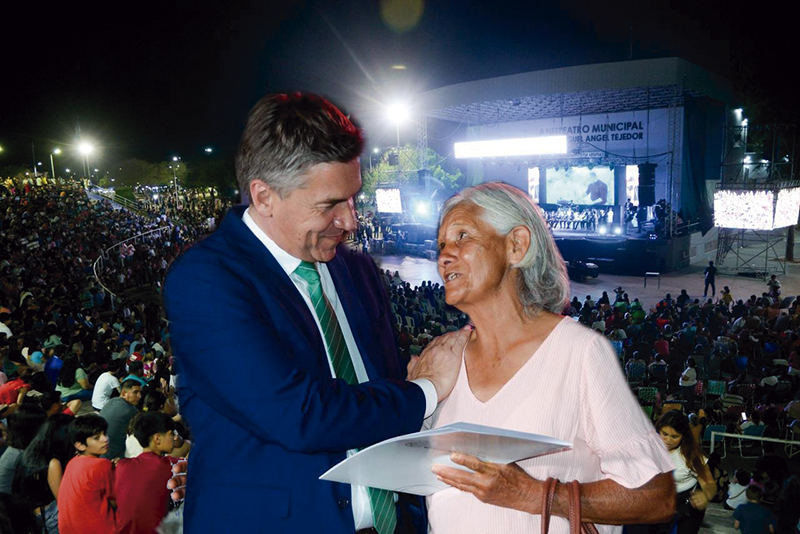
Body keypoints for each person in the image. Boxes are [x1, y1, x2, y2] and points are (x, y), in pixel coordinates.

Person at [162, 93, 466, 533]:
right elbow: (298, 415)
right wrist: (425, 390)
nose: (352, 221)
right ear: (264, 196)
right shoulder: (206, 279)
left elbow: (377, 389)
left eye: (353, 198)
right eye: (330, 205)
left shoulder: (356, 270)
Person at [420, 183, 675, 533]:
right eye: (441, 245)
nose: (444, 256)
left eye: (462, 236)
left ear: (517, 245)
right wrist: (418, 391)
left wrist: (534, 495)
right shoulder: (444, 359)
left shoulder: (579, 353)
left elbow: (655, 496)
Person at [115, 412, 178, 534]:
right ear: (157, 438)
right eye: (171, 434)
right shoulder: (170, 465)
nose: (174, 438)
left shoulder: (122, 466)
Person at [655, 410, 716, 534]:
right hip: (656, 503)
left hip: (684, 507)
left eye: (674, 436)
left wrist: (705, 495)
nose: (668, 440)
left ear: (683, 436)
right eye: (664, 434)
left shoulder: (691, 455)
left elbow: (709, 483)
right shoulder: (647, 449)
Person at [12, 413, 73, 532]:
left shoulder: (30, 453)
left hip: (31, 514)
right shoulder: (53, 463)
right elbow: (63, 501)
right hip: (47, 517)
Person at [57, 415, 115, 533]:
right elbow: (116, 499)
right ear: (80, 445)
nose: (105, 439)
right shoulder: (102, 465)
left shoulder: (73, 462)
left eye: (105, 434)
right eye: (96, 437)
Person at [99, 379, 141, 460]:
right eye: (135, 392)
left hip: (101, 451)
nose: (139, 396)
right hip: (114, 455)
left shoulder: (111, 401)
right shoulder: (129, 411)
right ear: (124, 393)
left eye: (140, 392)